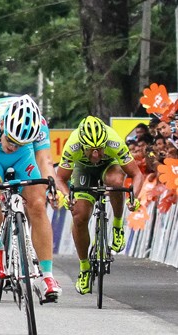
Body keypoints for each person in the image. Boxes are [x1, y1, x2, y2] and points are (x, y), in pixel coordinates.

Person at [0, 95, 62, 302]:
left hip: (25, 157)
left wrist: (53, 190)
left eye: (20, 142)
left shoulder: (39, 126)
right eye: (11, 140)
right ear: (3, 126)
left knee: (38, 204)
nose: (13, 146)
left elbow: (45, 160)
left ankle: (48, 276)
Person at [55, 116, 143, 295]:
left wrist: (134, 197)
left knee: (116, 181)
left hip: (109, 166)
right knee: (79, 215)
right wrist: (66, 196)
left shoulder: (114, 141)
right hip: (83, 169)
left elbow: (137, 174)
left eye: (100, 149)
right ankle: (85, 268)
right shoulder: (73, 144)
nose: (96, 154)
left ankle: (117, 225)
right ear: (82, 145)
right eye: (91, 150)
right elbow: (60, 178)